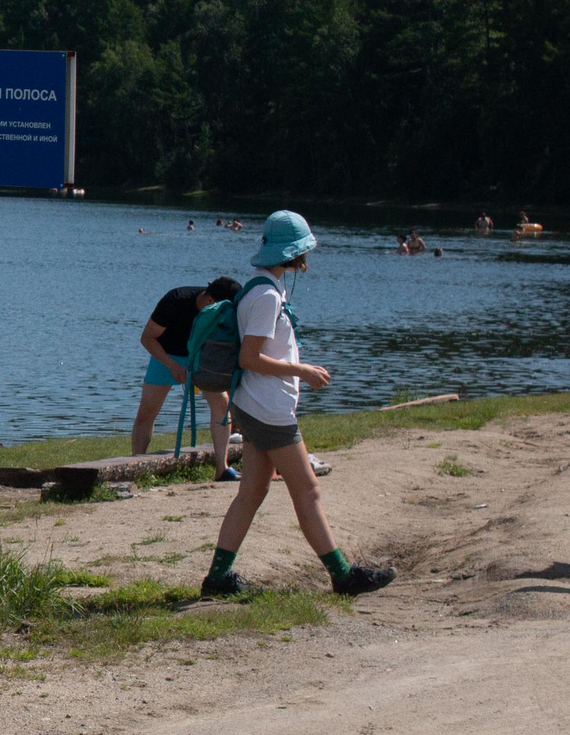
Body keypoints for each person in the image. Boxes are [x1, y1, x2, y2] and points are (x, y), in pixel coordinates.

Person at [201, 211, 393, 600]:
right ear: (294, 253)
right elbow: (249, 358)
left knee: (252, 491)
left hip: (255, 406)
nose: (307, 258)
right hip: (269, 410)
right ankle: (343, 576)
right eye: (305, 250)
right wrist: (302, 370)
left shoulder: (262, 287)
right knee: (307, 489)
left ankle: (217, 579)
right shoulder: (266, 296)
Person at [131, 278, 240, 468]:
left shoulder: (225, 312)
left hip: (200, 357)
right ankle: (135, 464)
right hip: (166, 354)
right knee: (147, 411)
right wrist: (172, 365)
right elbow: (147, 338)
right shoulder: (175, 300)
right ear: (210, 302)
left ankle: (222, 468)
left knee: (221, 405)